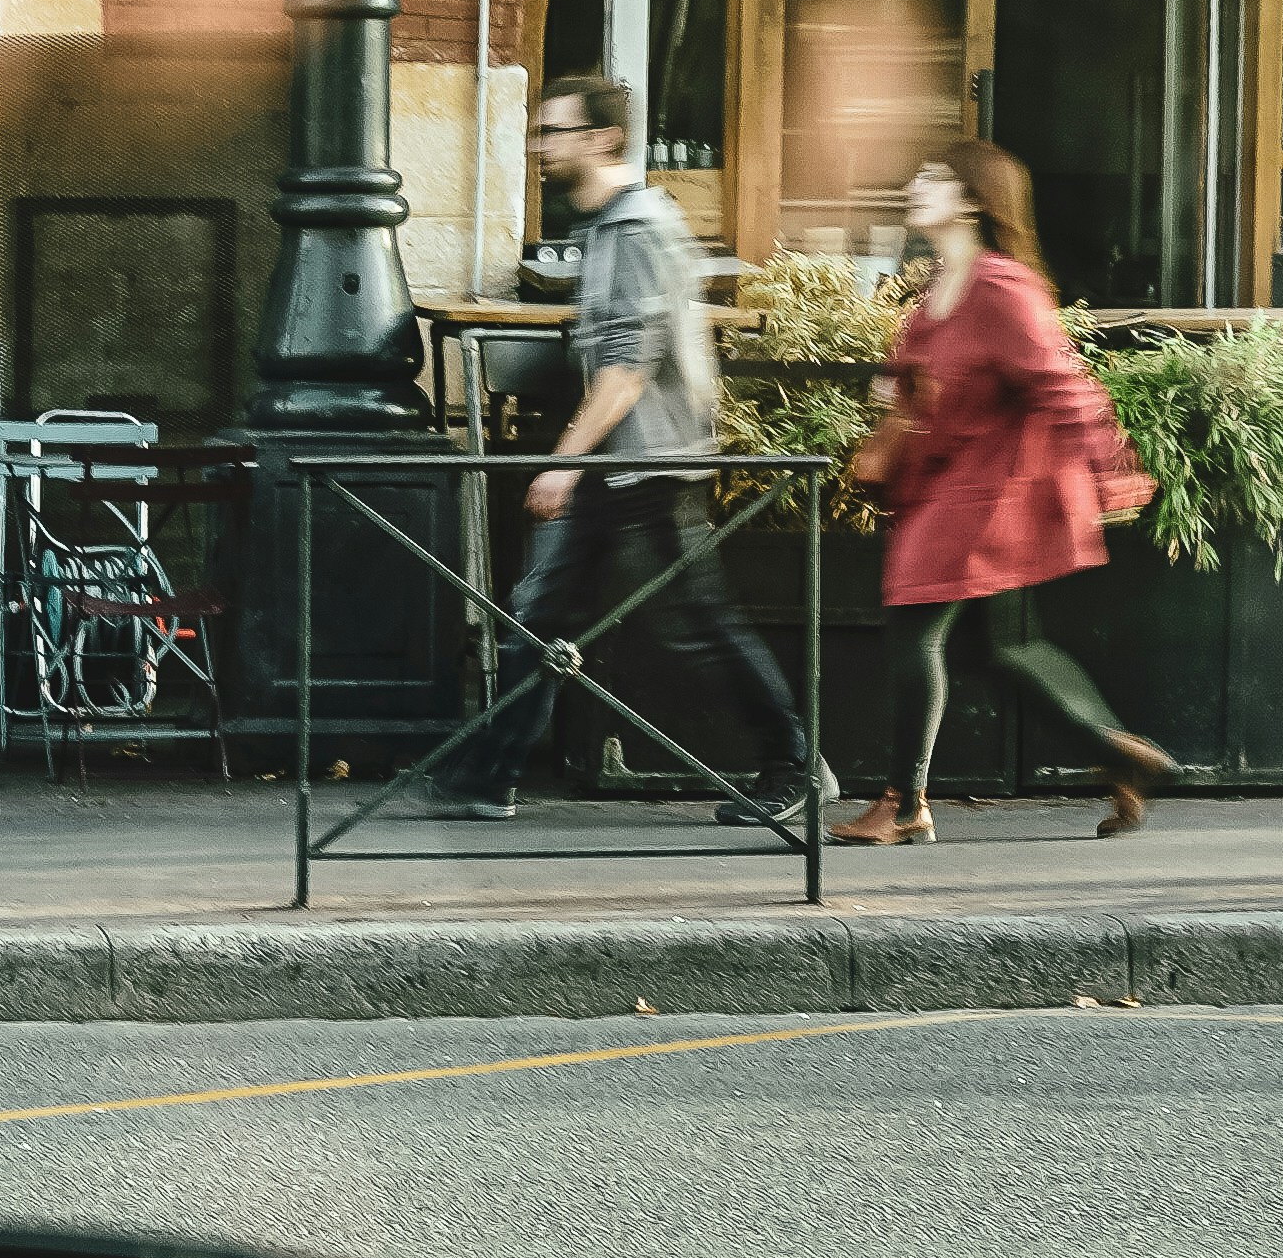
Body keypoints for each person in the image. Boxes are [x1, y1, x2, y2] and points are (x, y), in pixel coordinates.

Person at [436, 70, 817, 820]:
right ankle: (488, 773)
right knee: (542, 611)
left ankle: (794, 766)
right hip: (616, 466)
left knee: (695, 627)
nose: (539, 145)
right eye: (539, 131)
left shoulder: (637, 229)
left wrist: (563, 464)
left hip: (649, 467)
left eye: (553, 131)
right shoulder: (608, 226)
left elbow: (627, 369)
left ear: (603, 139)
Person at [846, 139, 1176, 844]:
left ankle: (904, 805)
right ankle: (1122, 754)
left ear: (972, 200)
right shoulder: (941, 286)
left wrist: (1114, 470)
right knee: (1000, 648)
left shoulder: (1002, 288)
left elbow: (1063, 383)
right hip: (951, 483)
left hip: (987, 493)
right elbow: (919, 374)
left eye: (934, 177)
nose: (916, 185)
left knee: (912, 623)